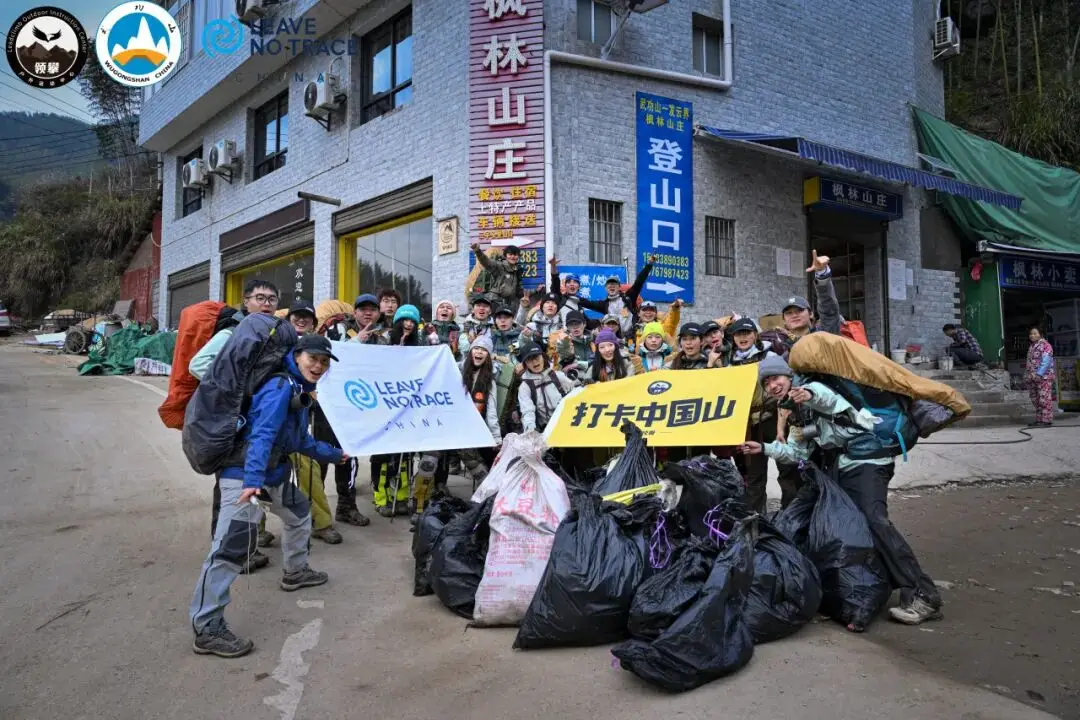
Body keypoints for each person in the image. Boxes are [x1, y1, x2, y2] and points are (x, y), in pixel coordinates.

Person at [741, 355, 943, 629]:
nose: (773, 385)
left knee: (874, 521)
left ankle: (923, 594)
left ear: (788, 375)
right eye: (766, 383)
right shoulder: (797, 412)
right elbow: (796, 451)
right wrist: (763, 448)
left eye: (776, 378)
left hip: (870, 460)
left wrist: (807, 394)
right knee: (846, 526)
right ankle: (860, 591)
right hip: (844, 465)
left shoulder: (813, 389)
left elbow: (827, 400)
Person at [189, 334, 346, 658]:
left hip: (269, 475)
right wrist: (253, 480)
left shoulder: (297, 389)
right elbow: (261, 434)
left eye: (324, 361)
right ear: (297, 355)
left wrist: (335, 454)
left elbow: (298, 440)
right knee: (230, 549)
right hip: (246, 476)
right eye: (313, 358)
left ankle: (296, 571)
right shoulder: (279, 388)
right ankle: (206, 627)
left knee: (299, 512)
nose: (318, 365)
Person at [189, 279, 279, 571]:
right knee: (229, 485)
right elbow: (199, 364)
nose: (266, 303)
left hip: (254, 420)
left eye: (272, 299)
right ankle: (227, 553)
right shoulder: (232, 332)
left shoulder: (270, 334)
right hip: (232, 422)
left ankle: (244, 548)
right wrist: (237, 387)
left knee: (250, 482)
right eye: (259, 298)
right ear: (246, 302)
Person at [286, 303, 343, 545]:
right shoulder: (276, 345)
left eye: (307, 318)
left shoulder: (321, 346)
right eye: (297, 316)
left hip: (302, 422)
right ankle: (255, 532)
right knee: (259, 478)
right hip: (272, 428)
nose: (302, 321)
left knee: (310, 471)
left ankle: (321, 523)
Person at [373, 304, 422, 517]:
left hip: (407, 408)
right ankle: (381, 498)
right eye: (405, 320)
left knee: (404, 457)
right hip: (384, 407)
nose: (408, 325)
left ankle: (401, 497)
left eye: (412, 321)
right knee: (384, 458)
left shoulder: (418, 346)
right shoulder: (382, 340)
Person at [725, 317, 778, 514]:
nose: (743, 337)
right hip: (747, 423)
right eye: (739, 334)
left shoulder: (769, 355)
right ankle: (756, 518)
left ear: (755, 335)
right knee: (754, 474)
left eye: (747, 333)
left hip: (771, 417)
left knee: (787, 467)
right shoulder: (730, 362)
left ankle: (792, 515)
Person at [759, 250, 842, 357]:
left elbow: (829, 309)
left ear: (811, 313)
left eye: (799, 310)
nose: (794, 315)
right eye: (789, 313)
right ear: (784, 320)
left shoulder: (825, 333)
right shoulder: (779, 347)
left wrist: (822, 274)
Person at [457, 335, 502, 482]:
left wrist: (496, 437)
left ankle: (487, 492)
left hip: (472, 429)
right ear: (470, 351)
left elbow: (491, 411)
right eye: (476, 348)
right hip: (450, 426)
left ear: (488, 356)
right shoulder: (456, 371)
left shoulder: (489, 381)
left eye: (484, 350)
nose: (479, 352)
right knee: (430, 460)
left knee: (471, 457)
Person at [517, 340, 578, 433]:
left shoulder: (557, 376)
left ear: (543, 357)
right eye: (529, 359)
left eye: (536, 357)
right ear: (525, 364)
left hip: (567, 425)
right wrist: (530, 430)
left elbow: (575, 391)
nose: (534, 362)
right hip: (545, 431)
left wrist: (585, 384)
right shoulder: (525, 387)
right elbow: (528, 411)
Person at [548, 256, 607, 324]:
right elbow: (555, 283)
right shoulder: (560, 298)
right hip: (559, 333)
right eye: (569, 282)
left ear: (579, 287)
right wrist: (553, 266)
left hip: (574, 333)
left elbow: (588, 324)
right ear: (565, 286)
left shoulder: (580, 302)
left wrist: (602, 320)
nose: (572, 284)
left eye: (575, 282)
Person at [470, 243, 523, 309]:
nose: (513, 257)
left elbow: (519, 290)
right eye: (510, 254)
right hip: (495, 302)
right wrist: (478, 251)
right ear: (505, 256)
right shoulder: (499, 266)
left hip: (509, 305)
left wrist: (535, 291)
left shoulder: (517, 271)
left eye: (515, 255)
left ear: (518, 256)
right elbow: (486, 262)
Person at [1025, 326, 1056, 427]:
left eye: (1035, 333)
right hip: (1032, 377)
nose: (1032, 335)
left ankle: (1046, 420)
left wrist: (1039, 374)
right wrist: (1027, 375)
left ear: (1040, 334)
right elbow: (1029, 363)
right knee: (1036, 399)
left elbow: (1046, 361)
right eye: (1031, 334)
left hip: (1044, 377)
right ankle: (1039, 420)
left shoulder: (1046, 345)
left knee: (1044, 399)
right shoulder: (1032, 347)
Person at [555, 310, 595, 379]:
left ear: (584, 324)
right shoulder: (565, 343)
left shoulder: (594, 340)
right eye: (571, 325)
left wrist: (577, 364)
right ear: (567, 327)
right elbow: (564, 365)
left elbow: (598, 359)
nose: (575, 327)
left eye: (578, 323)